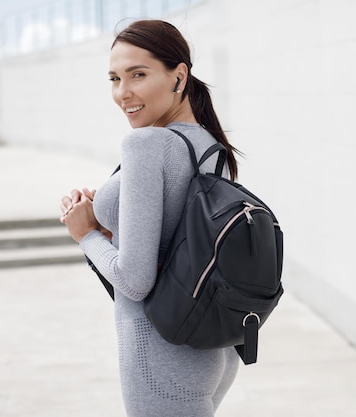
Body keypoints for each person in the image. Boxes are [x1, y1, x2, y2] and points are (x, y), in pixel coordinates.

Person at [59, 19, 240, 416]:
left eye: (138, 75)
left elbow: (135, 282)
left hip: (161, 356)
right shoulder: (210, 144)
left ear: (179, 76)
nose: (123, 93)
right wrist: (113, 226)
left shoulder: (146, 144)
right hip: (215, 351)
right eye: (114, 78)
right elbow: (178, 237)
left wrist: (86, 233)